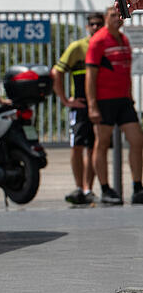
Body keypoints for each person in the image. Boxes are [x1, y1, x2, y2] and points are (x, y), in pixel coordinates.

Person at [83, 0, 143, 205]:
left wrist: (129, 95)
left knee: (136, 140)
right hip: (104, 101)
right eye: (113, 16)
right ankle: (106, 189)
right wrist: (92, 105)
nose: (118, 19)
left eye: (120, 15)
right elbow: (90, 76)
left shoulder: (124, 40)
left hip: (124, 101)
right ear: (105, 19)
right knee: (102, 143)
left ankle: (137, 186)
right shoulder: (98, 41)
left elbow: (124, 72)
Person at [51, 12, 104, 205]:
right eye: (92, 24)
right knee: (77, 146)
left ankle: (88, 188)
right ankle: (79, 186)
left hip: (100, 103)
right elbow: (56, 72)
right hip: (80, 104)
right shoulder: (77, 47)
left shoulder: (105, 45)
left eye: (99, 24)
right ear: (87, 26)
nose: (96, 28)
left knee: (94, 147)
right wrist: (66, 100)